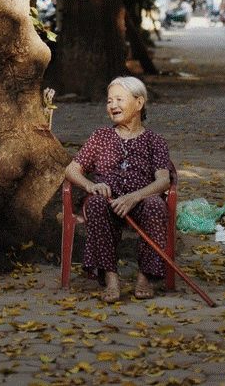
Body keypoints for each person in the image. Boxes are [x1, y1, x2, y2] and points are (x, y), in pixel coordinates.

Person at [64, 76, 171, 303]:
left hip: (140, 201)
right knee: (95, 203)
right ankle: (111, 278)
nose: (112, 105)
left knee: (155, 205)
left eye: (119, 99)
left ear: (139, 103)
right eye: (109, 100)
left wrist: (134, 197)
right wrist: (90, 185)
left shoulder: (155, 141)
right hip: (109, 201)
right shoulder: (101, 136)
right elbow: (71, 170)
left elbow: (163, 182)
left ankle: (145, 278)